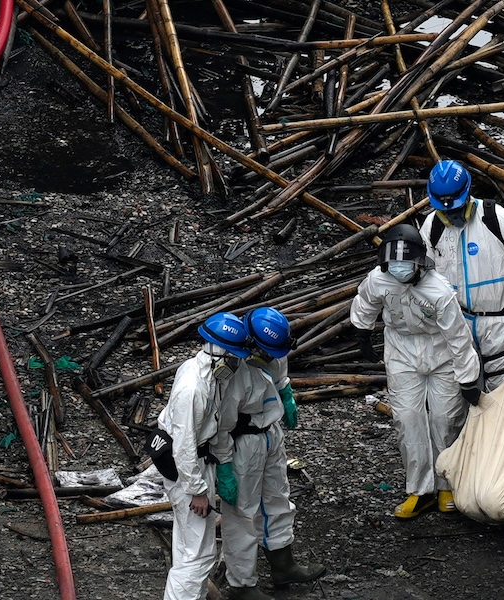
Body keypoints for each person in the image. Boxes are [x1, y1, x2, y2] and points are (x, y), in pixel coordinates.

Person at [350, 224, 482, 518]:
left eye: (404, 264)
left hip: (441, 354)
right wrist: (362, 333)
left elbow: (459, 339)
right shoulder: (378, 280)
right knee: (407, 419)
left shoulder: (439, 291)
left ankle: (448, 483)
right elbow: (365, 303)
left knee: (445, 419)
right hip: (401, 352)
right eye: (393, 264)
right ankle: (420, 490)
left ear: (420, 262)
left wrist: (468, 378)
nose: (398, 269)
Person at [212, 307, 325, 599]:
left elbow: (279, 373)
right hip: (242, 443)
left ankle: (283, 565)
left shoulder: (275, 346)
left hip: (270, 434)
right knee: (241, 514)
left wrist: (285, 394)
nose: (273, 359)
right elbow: (220, 426)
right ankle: (242, 584)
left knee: (278, 499)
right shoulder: (231, 370)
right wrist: (224, 464)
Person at [420, 159, 504, 392]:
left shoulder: (493, 217)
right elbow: (426, 276)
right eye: (446, 210)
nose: (452, 214)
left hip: (499, 322)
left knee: (501, 390)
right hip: (457, 322)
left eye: (455, 208)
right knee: (462, 390)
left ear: (467, 194)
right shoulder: (432, 227)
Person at [157, 312, 252, 600]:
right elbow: (183, 445)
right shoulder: (193, 388)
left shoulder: (211, 376)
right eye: (234, 356)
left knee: (195, 547)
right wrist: (197, 490)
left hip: (199, 461)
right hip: (186, 465)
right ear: (218, 352)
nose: (237, 363)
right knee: (195, 554)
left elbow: (218, 422)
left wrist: (223, 464)